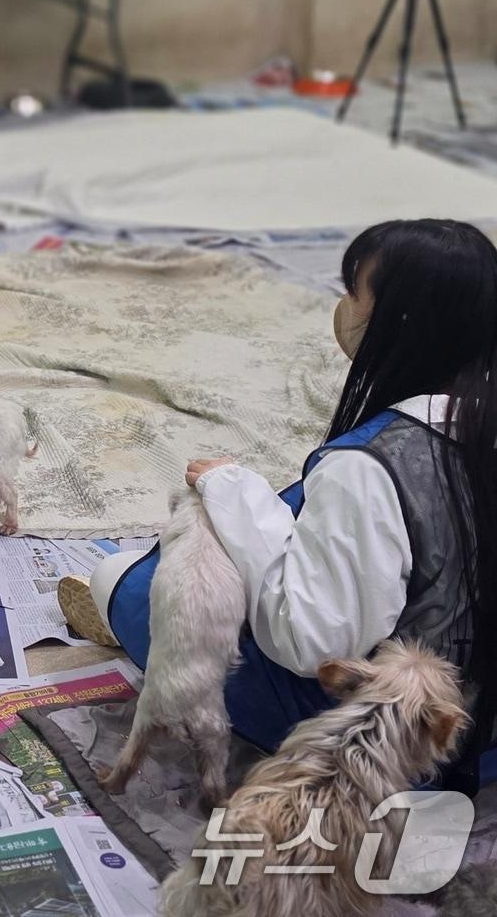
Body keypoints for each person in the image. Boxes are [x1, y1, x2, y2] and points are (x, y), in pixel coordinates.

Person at [61, 219, 497, 793]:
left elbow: (314, 643)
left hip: (411, 745)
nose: (342, 307)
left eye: (353, 292)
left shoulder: (371, 464)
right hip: (481, 718)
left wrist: (235, 491)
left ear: (399, 321)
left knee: (125, 578)